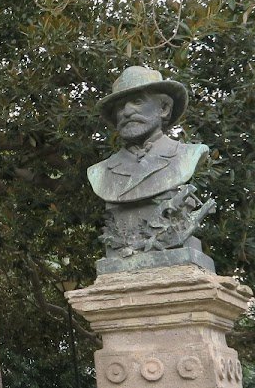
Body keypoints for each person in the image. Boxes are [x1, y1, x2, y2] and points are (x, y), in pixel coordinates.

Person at [87, 66, 214, 259]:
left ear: (163, 109)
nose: (127, 111)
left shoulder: (188, 154)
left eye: (137, 101)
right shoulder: (101, 172)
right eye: (120, 106)